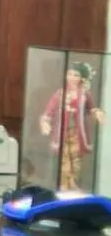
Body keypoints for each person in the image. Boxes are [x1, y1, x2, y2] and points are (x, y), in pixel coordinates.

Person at [40, 61, 105, 191]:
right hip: (62, 133)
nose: (72, 78)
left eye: (76, 75)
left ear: (81, 78)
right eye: (69, 74)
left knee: (76, 161)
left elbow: (91, 108)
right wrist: (45, 123)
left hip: (77, 133)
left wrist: (98, 113)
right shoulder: (60, 93)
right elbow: (48, 111)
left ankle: (73, 184)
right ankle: (65, 186)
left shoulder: (85, 94)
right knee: (64, 161)